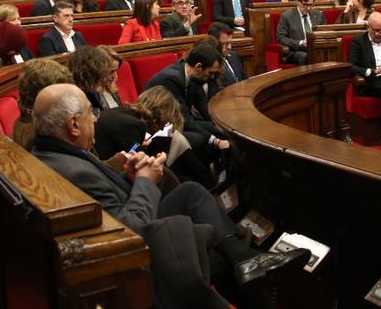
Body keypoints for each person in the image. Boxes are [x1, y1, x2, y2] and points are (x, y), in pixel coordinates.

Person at [32, 83, 309, 308]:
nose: (95, 117)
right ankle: (247, 269)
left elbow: (103, 197)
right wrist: (144, 182)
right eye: (89, 112)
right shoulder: (73, 170)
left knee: (190, 192)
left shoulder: (50, 153)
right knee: (220, 256)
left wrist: (121, 173)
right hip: (135, 261)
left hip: (123, 233)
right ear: (73, 126)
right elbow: (128, 235)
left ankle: (246, 258)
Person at [144, 44, 232, 165]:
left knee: (218, 130)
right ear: (198, 67)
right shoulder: (172, 79)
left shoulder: (194, 76)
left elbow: (202, 105)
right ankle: (202, 178)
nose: (212, 77)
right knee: (200, 139)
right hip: (158, 127)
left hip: (177, 122)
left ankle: (223, 170)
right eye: (210, 73)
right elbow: (184, 118)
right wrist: (216, 141)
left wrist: (221, 124)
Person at [348, 12, 381, 146]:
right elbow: (350, 66)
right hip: (371, 81)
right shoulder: (359, 41)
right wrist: (371, 71)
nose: (380, 34)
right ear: (368, 27)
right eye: (376, 31)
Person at [277, 0, 326, 65]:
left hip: (316, 49)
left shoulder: (319, 15)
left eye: (311, 5)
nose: (308, 8)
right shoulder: (287, 16)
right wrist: (300, 43)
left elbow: (325, 33)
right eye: (305, 4)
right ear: (298, 2)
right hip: (295, 51)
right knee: (305, 56)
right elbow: (281, 38)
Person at [208, 22, 246, 87]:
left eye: (230, 43)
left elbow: (243, 77)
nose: (229, 47)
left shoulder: (233, 55)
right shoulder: (210, 62)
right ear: (213, 42)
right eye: (224, 44)